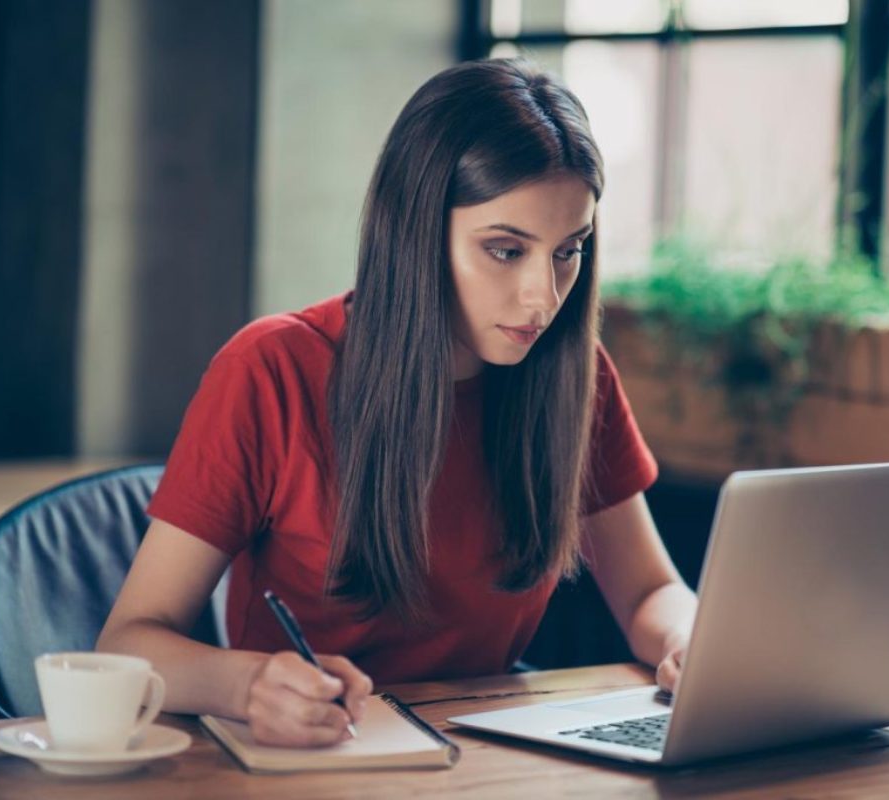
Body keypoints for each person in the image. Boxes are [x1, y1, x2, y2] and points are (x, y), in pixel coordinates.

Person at [97, 57, 698, 748]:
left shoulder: (573, 376)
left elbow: (649, 591)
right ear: (415, 232)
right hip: (311, 757)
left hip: (492, 757)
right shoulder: (271, 370)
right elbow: (128, 645)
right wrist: (249, 683)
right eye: (506, 250)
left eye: (570, 251)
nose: (544, 295)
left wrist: (689, 638)